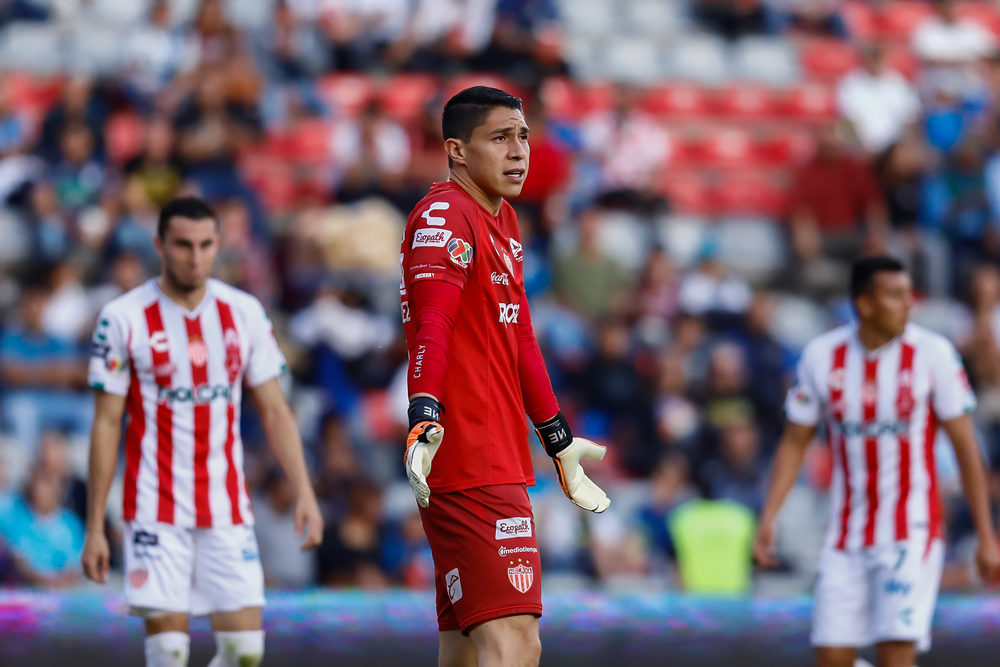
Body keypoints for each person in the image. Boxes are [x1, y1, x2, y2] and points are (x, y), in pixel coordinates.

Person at [399, 86, 610, 667]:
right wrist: (424, 413)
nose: (519, 151)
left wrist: (557, 440)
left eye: (522, 136)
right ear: (456, 151)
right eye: (499, 138)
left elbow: (516, 335)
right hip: (468, 455)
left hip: (494, 455)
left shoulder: (504, 219)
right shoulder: (445, 214)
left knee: (466, 650)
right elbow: (433, 322)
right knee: (515, 643)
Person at [79, 197, 324, 667]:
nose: (195, 257)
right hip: (154, 508)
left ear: (218, 245)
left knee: (245, 653)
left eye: (206, 245)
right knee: (168, 654)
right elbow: (107, 422)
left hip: (226, 506)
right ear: (160, 246)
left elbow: (275, 410)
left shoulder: (244, 312)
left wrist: (304, 492)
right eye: (183, 245)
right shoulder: (123, 317)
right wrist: (95, 526)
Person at [754, 256, 1000, 667]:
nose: (907, 304)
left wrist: (986, 534)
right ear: (864, 305)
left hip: (910, 532)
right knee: (832, 657)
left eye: (908, 294)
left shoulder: (932, 354)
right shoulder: (822, 356)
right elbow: (795, 440)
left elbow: (965, 447)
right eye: (894, 295)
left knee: (895, 653)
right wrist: (769, 516)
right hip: (845, 534)